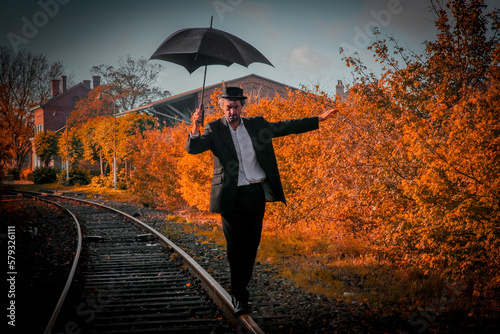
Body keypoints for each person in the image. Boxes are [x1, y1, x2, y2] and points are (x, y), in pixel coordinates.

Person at [186, 86, 338, 315]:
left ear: (242, 107)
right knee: (235, 247)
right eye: (228, 106)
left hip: (255, 193)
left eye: (236, 106)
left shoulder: (257, 125)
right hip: (230, 196)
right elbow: (193, 148)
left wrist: (318, 119)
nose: (232, 110)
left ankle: (240, 288)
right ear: (222, 106)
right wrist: (195, 123)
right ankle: (239, 295)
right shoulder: (214, 128)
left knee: (250, 245)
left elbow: (287, 127)